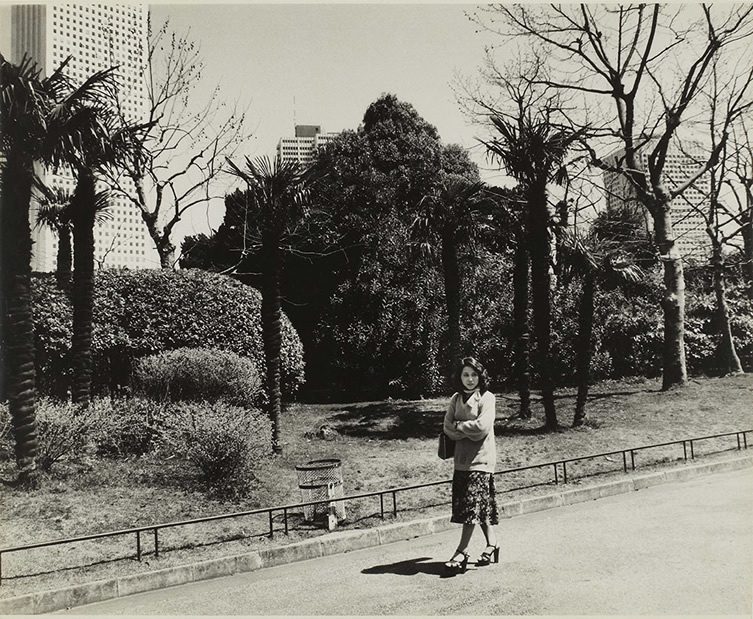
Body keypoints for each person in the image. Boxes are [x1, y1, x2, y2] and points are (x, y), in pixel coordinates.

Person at [441, 356, 499, 574]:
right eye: (466, 374)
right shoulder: (456, 399)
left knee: (470, 509)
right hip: (461, 461)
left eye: (474, 374)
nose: (470, 379)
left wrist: (460, 427)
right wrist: (467, 429)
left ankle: (462, 551)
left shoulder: (487, 397)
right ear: (460, 377)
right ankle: (492, 544)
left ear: (480, 376)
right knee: (477, 506)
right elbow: (447, 427)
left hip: (482, 461)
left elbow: (483, 428)